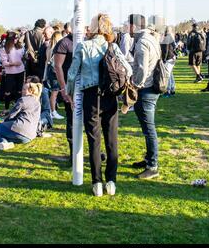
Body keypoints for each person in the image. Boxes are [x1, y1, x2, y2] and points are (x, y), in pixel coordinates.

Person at [67, 13, 132, 197]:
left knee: (93, 140)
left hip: (90, 95)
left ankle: (97, 182)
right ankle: (111, 180)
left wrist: (70, 94)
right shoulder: (112, 46)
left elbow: (72, 74)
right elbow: (127, 69)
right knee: (112, 140)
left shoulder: (83, 46)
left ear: (94, 27)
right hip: (110, 95)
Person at [130, 17, 162, 180]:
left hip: (146, 88)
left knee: (149, 129)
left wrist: (135, 85)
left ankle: (152, 166)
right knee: (147, 127)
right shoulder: (151, 37)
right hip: (151, 87)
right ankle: (149, 159)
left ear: (133, 26)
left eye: (127, 25)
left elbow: (142, 68)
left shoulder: (143, 41)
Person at [0, 80, 42, 151]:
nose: (22, 91)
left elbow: (12, 114)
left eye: (24, 89)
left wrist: (2, 122)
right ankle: (5, 144)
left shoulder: (23, 99)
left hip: (20, 129)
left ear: (31, 91)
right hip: (29, 136)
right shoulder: (37, 102)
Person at [53, 27, 74, 163]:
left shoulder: (87, 41)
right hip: (70, 88)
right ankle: (73, 154)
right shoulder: (64, 43)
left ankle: (95, 152)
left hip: (87, 87)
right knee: (72, 120)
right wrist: (63, 87)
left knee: (91, 121)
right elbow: (58, 66)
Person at [0, 32, 25, 114]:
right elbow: (4, 63)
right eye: (15, 38)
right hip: (10, 73)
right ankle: (6, 108)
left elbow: (22, 57)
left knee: (19, 90)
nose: (17, 39)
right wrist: (14, 64)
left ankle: (18, 108)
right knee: (8, 91)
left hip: (21, 71)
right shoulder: (4, 49)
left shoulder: (20, 47)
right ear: (10, 39)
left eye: (17, 38)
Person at [45, 30, 64, 120]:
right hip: (54, 71)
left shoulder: (49, 47)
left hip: (50, 71)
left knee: (53, 92)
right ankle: (53, 111)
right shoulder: (56, 49)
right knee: (54, 92)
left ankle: (52, 110)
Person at [161, 26, 176, 96]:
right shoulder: (171, 36)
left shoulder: (167, 37)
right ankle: (172, 89)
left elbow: (165, 49)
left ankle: (168, 90)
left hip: (168, 58)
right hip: (172, 57)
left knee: (167, 75)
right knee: (171, 74)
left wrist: (164, 59)